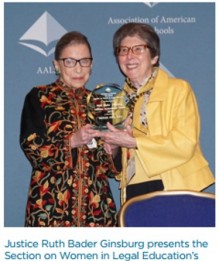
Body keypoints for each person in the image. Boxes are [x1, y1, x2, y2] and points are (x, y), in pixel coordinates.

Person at [99, 22, 215, 204]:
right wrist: (113, 149)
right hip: (133, 191)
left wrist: (134, 142)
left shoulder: (178, 89)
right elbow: (118, 167)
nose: (129, 56)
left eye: (138, 49)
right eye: (123, 50)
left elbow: (185, 143)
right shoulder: (119, 100)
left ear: (154, 57)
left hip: (174, 186)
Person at [20, 31, 120, 227]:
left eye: (84, 61)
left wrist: (113, 148)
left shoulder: (101, 103)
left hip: (97, 208)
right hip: (50, 207)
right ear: (57, 65)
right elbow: (32, 148)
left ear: (91, 64)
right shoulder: (40, 97)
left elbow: (109, 169)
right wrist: (72, 141)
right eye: (70, 61)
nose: (78, 69)